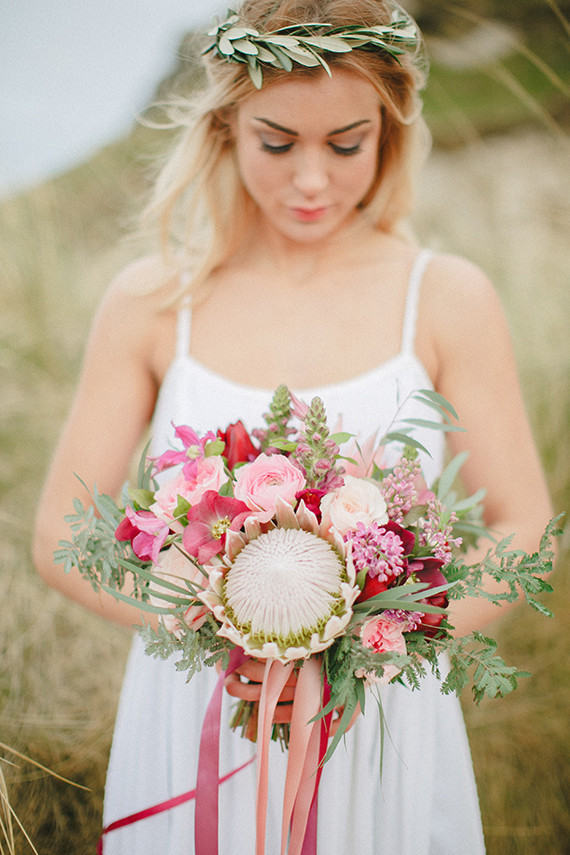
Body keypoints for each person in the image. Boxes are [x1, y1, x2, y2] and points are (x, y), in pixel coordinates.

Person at [33, 0, 553, 852]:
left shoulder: (446, 297)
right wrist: (215, 627)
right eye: (277, 143)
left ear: (388, 134)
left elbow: (522, 523)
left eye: (346, 144)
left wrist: (372, 642)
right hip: (198, 712)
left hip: (381, 716)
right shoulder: (152, 302)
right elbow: (57, 534)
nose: (311, 179)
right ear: (225, 130)